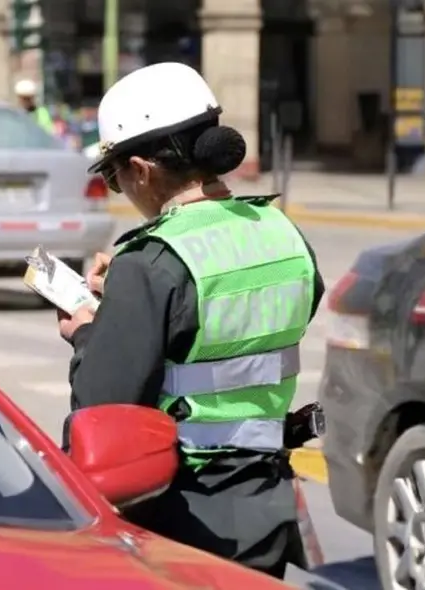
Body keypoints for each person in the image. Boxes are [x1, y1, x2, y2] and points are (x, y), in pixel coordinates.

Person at [57, 62, 325, 578]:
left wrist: (90, 329)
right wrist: (137, 295)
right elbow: (230, 318)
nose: (122, 191)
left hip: (176, 513)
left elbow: (103, 405)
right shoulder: (283, 236)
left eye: (115, 178)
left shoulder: (149, 264)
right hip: (264, 505)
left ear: (141, 169)